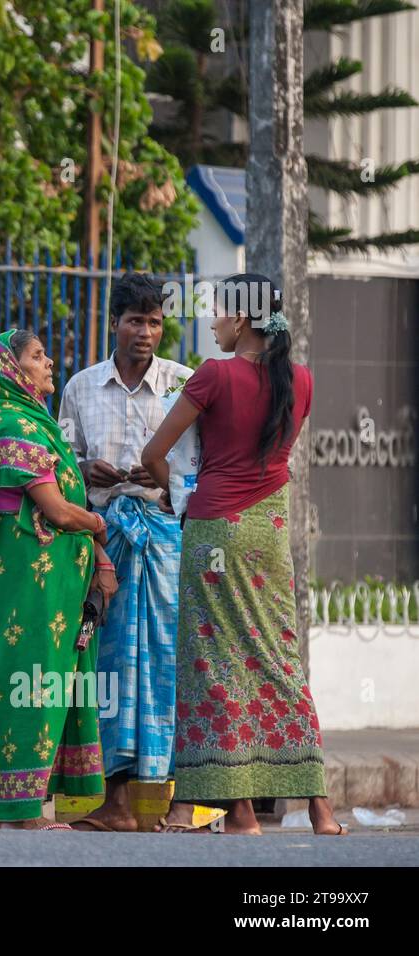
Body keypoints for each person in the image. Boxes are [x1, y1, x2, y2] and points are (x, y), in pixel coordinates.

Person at [141, 273, 343, 837]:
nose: (211, 324)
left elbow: (154, 452)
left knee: (213, 666)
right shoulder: (301, 380)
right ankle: (320, 811)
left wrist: (176, 492)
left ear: (244, 319)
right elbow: (273, 456)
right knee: (278, 660)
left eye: (218, 314)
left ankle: (236, 812)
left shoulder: (215, 375)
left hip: (213, 533)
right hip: (270, 534)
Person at [0, 329, 117, 828]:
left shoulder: (34, 424)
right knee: (29, 681)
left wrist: (94, 551)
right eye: (37, 356)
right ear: (11, 369)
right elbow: (58, 512)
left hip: (57, 580)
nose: (48, 363)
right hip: (32, 583)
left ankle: (31, 804)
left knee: (48, 684)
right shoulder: (12, 426)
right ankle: (17, 811)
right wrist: (98, 524)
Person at [56, 273, 193, 832]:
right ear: (113, 322)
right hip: (102, 538)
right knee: (104, 662)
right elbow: (60, 463)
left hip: (163, 536)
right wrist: (85, 470)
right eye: (135, 320)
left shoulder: (185, 385)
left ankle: (164, 802)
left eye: (155, 322)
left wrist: (163, 483)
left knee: (164, 663)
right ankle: (110, 798)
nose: (145, 332)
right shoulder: (81, 387)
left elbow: (196, 469)